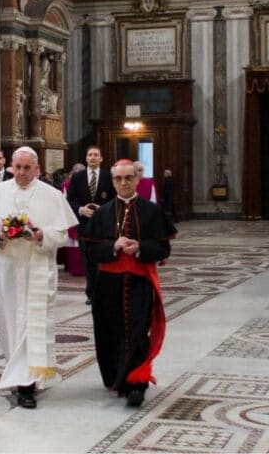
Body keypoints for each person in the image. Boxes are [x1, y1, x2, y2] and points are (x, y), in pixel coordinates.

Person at [0, 147, 77, 409]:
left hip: (37, 266)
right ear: (11, 167)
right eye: (17, 167)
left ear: (37, 169)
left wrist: (42, 235)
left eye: (27, 168)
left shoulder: (52, 195)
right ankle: (16, 369)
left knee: (32, 322)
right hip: (5, 266)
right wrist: (0, 236)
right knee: (9, 320)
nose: (21, 173)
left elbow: (63, 236)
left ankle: (27, 383)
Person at [82, 159, 175, 408]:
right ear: (112, 182)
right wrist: (112, 246)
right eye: (118, 179)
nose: (123, 183)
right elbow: (91, 252)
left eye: (128, 178)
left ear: (137, 179)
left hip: (139, 282)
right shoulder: (102, 213)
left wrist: (140, 247)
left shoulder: (152, 211)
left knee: (137, 331)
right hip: (106, 285)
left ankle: (137, 382)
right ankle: (115, 377)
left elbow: (164, 248)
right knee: (109, 331)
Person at [65, 146, 116, 305]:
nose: (93, 158)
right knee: (88, 261)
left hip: (104, 225)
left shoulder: (109, 177)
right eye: (90, 155)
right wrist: (81, 209)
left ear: (101, 158)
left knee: (105, 259)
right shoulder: (77, 177)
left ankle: (104, 292)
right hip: (84, 225)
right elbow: (70, 200)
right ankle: (91, 293)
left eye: (96, 155)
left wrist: (104, 210)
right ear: (86, 158)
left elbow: (115, 198)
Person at [60, 163, 86, 276]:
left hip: (85, 216)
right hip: (72, 216)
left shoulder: (88, 184)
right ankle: (74, 268)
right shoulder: (66, 185)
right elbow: (64, 202)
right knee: (73, 244)